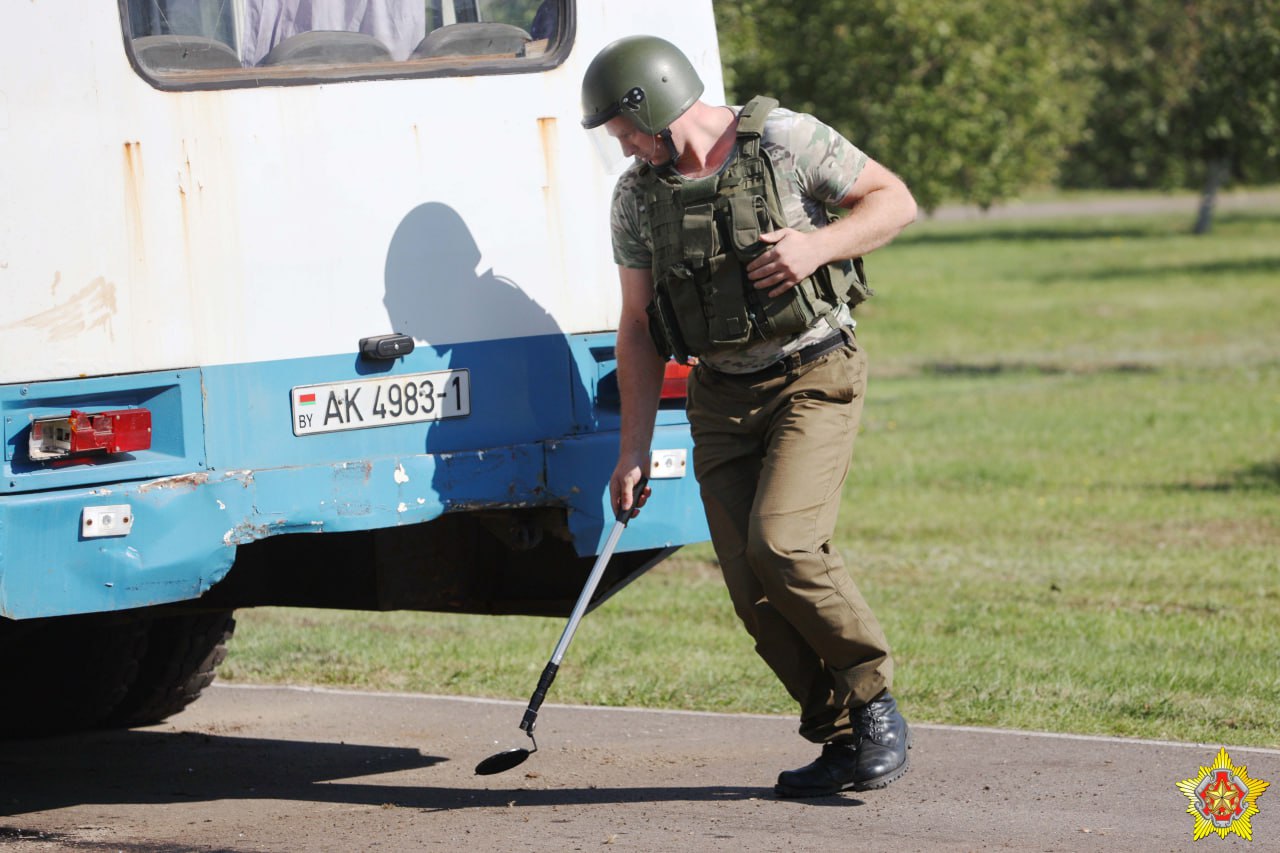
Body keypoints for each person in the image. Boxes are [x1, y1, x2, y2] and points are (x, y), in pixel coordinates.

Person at [580, 35, 918, 798]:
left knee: (784, 542)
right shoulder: (637, 197)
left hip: (814, 372)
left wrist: (815, 247)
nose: (623, 146)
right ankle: (839, 738)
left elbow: (894, 199)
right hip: (720, 399)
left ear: (656, 98)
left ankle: (874, 698)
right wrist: (631, 450)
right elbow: (637, 326)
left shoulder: (787, 141)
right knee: (750, 588)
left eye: (625, 129)